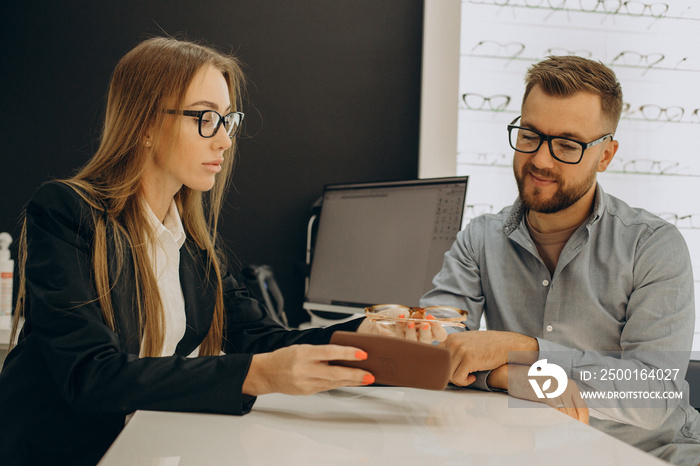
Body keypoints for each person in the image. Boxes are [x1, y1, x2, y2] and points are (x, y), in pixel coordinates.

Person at [0, 37, 436, 465]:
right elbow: (90, 376)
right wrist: (259, 375)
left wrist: (365, 334)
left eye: (228, 120)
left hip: (148, 445)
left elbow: (262, 338)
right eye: (206, 119)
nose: (225, 140)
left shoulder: (192, 242)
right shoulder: (66, 212)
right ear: (146, 126)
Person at [421, 55, 700, 465]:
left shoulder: (653, 245)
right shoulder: (479, 239)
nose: (541, 160)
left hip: (650, 453)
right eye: (530, 135)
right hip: (532, 452)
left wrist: (524, 350)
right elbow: (432, 350)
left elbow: (653, 394)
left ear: (605, 156)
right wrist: (505, 376)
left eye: (568, 145)